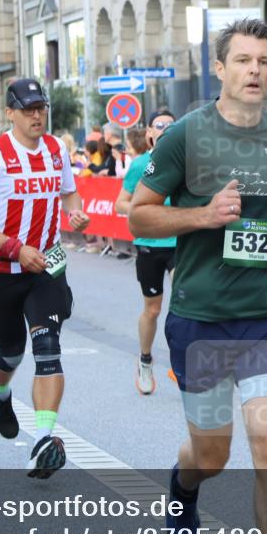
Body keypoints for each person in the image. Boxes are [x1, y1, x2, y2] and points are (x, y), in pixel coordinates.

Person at [128, 19, 267, 534]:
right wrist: (204, 215)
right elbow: (140, 217)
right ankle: (185, 485)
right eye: (243, 60)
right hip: (202, 319)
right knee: (212, 456)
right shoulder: (187, 135)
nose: (255, 71)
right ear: (220, 68)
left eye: (264, 61)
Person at [0, 77, 90, 479]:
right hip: (2, 269)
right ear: (11, 113)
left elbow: (69, 192)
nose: (37, 116)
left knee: (48, 348)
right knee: (12, 354)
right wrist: (16, 249)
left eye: (42, 108)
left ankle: (42, 441)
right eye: (29, 109)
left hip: (48, 265)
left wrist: (75, 212)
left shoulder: (56, 150)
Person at [115, 112, 177, 395]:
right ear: (150, 133)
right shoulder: (141, 164)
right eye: (160, 125)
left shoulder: (187, 162)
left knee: (185, 301)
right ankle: (145, 359)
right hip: (150, 244)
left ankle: (182, 361)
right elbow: (121, 203)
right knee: (152, 309)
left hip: (181, 244)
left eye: (171, 125)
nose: (166, 129)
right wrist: (149, 213)